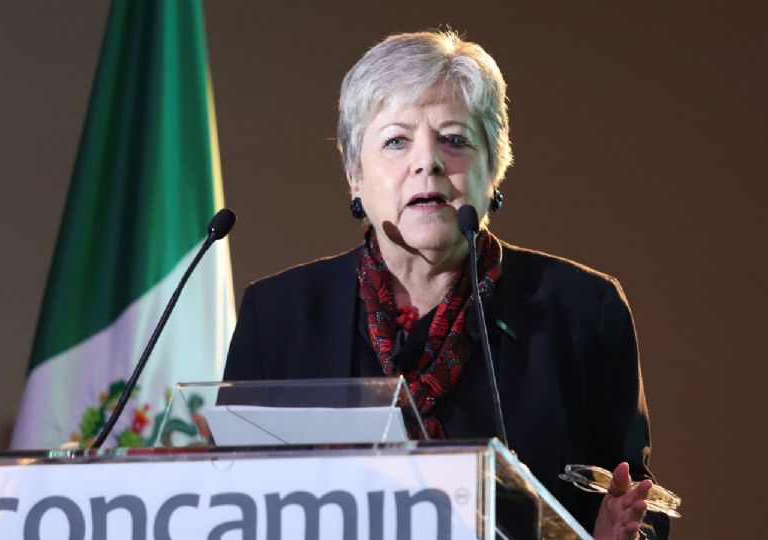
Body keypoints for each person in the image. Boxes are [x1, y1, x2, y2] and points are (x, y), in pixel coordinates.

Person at [223, 30, 669, 539]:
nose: (427, 162)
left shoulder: (583, 309)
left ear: (494, 168)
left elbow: (637, 500)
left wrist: (622, 533)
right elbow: (233, 498)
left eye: (454, 140)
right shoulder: (277, 316)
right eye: (396, 141)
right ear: (354, 174)